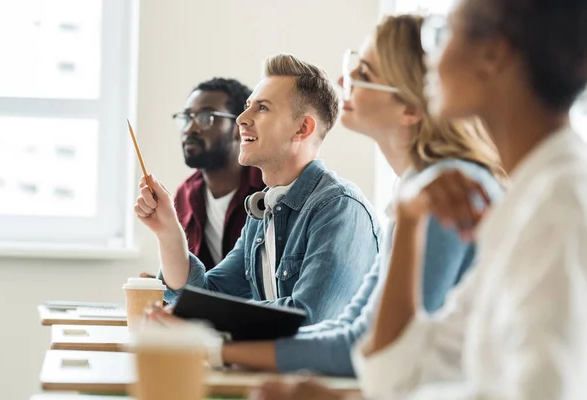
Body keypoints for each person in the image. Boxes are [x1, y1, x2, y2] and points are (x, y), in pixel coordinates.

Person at [254, 0, 587, 398]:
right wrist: (410, 220)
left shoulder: (558, 206)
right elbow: (400, 372)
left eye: (442, 34)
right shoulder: (522, 200)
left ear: (493, 55)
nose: (430, 58)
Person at [181, 14, 503, 375]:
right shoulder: (417, 191)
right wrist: (217, 347)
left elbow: (366, 345)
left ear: (411, 108)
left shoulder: (445, 193)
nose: (341, 81)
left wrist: (218, 351)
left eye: (363, 74)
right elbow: (351, 329)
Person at [136, 53, 381, 326]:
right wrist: (168, 231)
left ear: (302, 128)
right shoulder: (263, 213)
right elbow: (204, 295)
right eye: (247, 106)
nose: (241, 118)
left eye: (262, 108)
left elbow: (307, 318)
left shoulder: (339, 209)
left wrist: (211, 315)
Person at [171, 78, 264, 270]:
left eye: (206, 117)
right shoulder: (185, 194)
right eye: (187, 118)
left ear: (240, 127)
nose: (190, 129)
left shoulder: (268, 189)